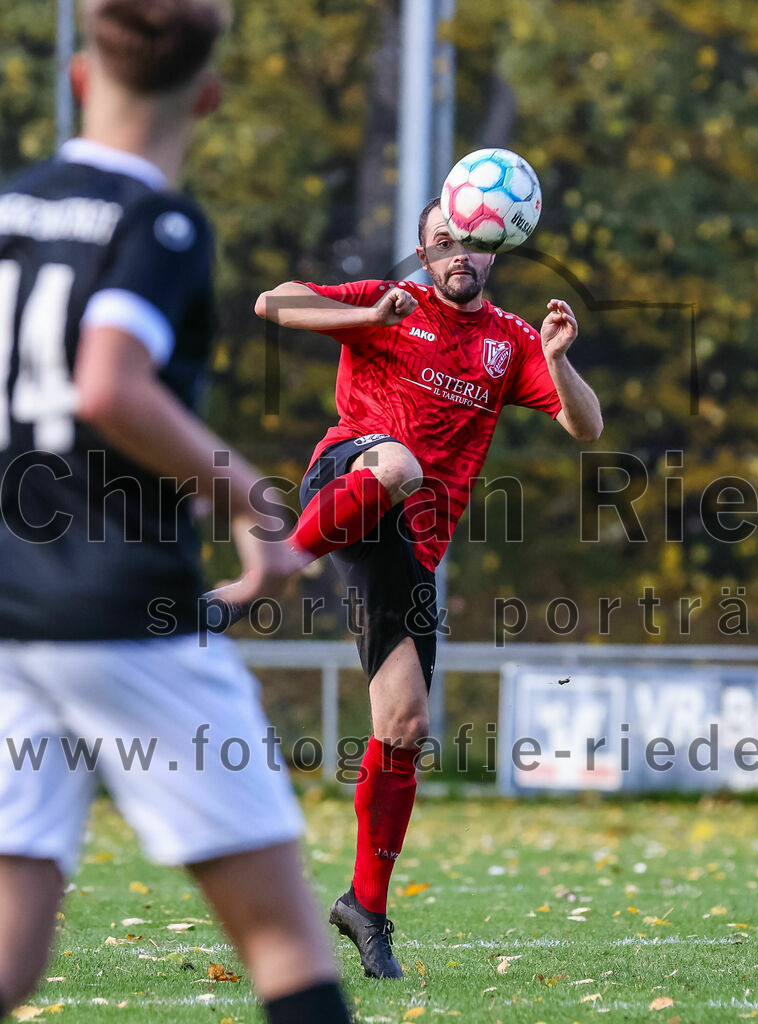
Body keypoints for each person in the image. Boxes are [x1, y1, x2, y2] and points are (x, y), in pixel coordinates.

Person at [0, 2, 350, 1021]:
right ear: (208, 95)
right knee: (285, 940)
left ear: (78, 76)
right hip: (120, 609)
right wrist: (256, 503)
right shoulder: (159, 221)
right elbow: (109, 383)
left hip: (7, 611)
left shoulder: (11, 208)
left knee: (11, 942)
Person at [220, 198, 603, 978]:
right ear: (423, 252)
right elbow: (273, 303)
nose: (457, 251)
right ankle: (274, 569)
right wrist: (357, 318)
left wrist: (560, 359)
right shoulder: (389, 300)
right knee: (397, 466)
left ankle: (364, 905)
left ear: (494, 249)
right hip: (350, 475)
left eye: (471, 241)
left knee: (405, 726)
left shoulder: (511, 341)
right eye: (442, 240)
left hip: (409, 546)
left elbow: (586, 428)